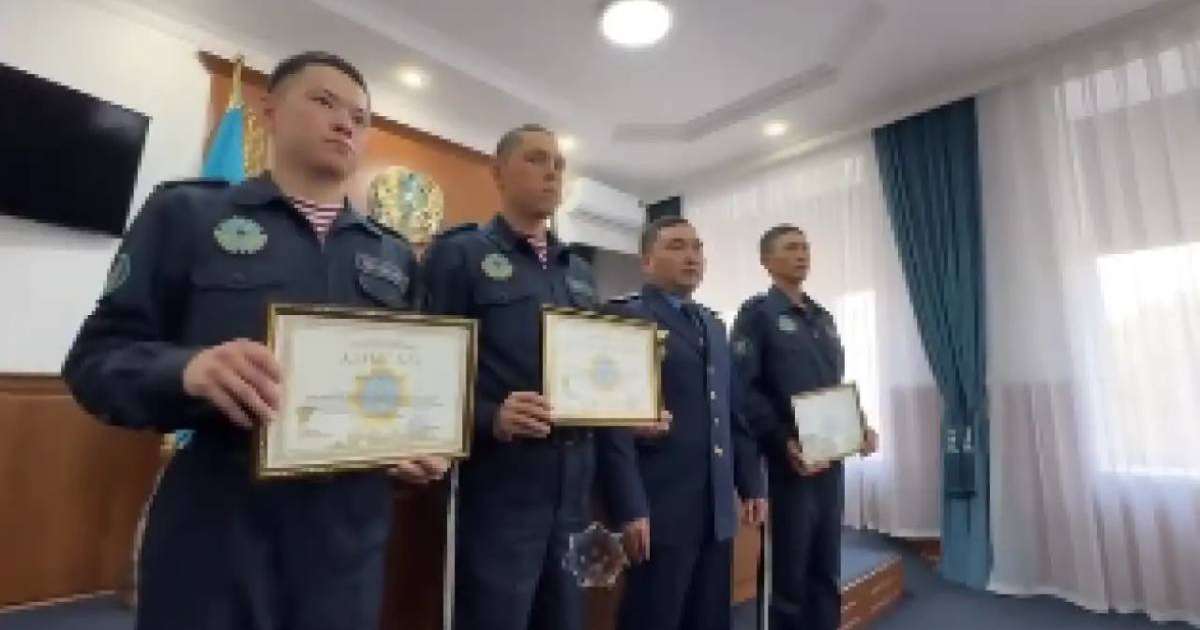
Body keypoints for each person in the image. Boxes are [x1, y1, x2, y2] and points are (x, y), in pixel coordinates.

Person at [62, 51, 448, 630]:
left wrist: (413, 445)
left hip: (346, 544)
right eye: (324, 102)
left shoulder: (393, 254)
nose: (346, 122)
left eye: (361, 117)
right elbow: (94, 362)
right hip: (220, 527)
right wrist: (186, 372)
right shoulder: (187, 214)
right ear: (270, 110)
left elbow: (405, 391)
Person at [421, 124, 600, 630]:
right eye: (537, 159)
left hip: (573, 489)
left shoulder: (579, 273)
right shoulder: (460, 255)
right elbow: (427, 372)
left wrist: (633, 409)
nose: (552, 173)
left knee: (564, 620)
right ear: (497, 173)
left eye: (559, 164)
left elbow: (597, 371)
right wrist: (490, 416)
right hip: (500, 489)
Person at [599, 216, 767, 630]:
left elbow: (732, 413)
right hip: (660, 506)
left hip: (714, 508)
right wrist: (630, 506)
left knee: (710, 618)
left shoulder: (713, 323)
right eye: (676, 246)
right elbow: (612, 425)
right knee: (655, 617)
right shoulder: (626, 318)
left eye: (696, 247)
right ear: (647, 261)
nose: (691, 256)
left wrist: (751, 483)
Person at [731, 224, 877, 630]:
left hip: (830, 461)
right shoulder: (757, 315)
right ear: (767, 261)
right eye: (791, 248)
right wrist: (781, 441)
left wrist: (860, 425)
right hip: (788, 465)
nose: (802, 254)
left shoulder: (823, 318)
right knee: (789, 574)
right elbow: (744, 390)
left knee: (826, 565)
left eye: (806, 247)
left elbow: (834, 386)